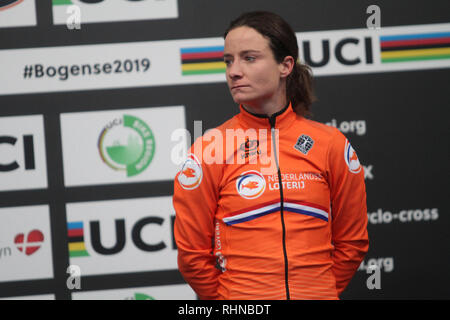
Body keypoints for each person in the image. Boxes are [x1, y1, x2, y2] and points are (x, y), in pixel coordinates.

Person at [173, 11, 369, 300]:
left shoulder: (330, 144)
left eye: (249, 58)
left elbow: (352, 242)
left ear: (285, 65)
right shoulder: (208, 150)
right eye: (228, 61)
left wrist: (316, 293)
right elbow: (192, 256)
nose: (234, 71)